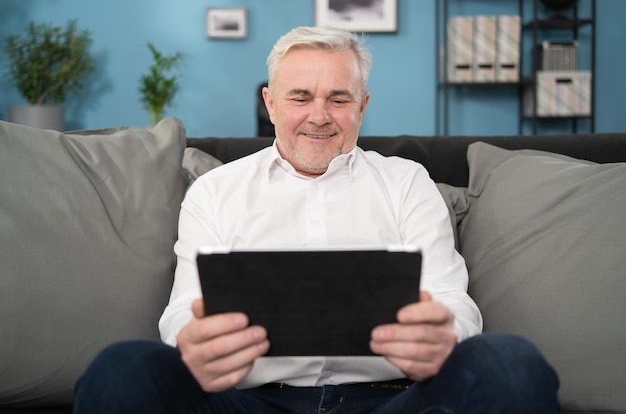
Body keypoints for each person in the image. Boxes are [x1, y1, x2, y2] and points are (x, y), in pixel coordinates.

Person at [74, 26, 559, 414]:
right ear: (270, 104)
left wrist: (443, 333)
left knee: (510, 363)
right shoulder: (215, 191)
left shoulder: (408, 182)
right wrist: (191, 339)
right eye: (300, 97)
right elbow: (184, 311)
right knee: (123, 368)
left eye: (339, 99)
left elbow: (454, 301)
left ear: (363, 106)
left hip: (390, 399)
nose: (319, 116)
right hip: (250, 400)